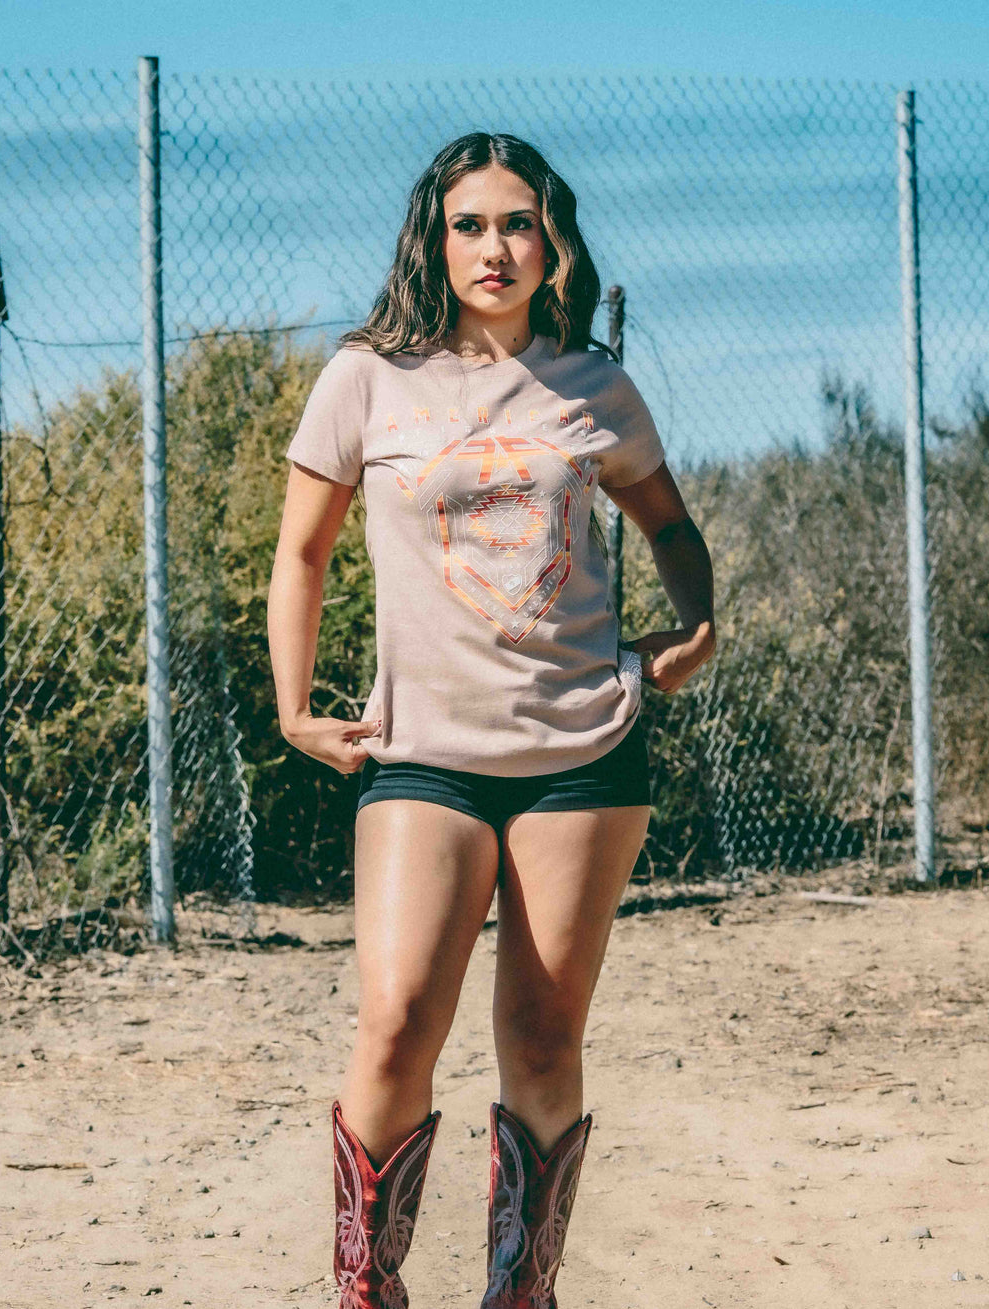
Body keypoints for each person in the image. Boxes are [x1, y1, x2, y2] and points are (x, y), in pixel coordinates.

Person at [267, 131, 716, 1308]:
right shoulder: (367, 376)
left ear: (552, 239)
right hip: (424, 755)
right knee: (399, 1019)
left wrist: (695, 624)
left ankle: (524, 1290)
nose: (495, 247)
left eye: (517, 223)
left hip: (585, 752)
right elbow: (300, 554)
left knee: (543, 1033)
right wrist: (293, 705)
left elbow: (670, 527)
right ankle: (371, 1286)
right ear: (435, 236)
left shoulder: (594, 384)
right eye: (470, 224)